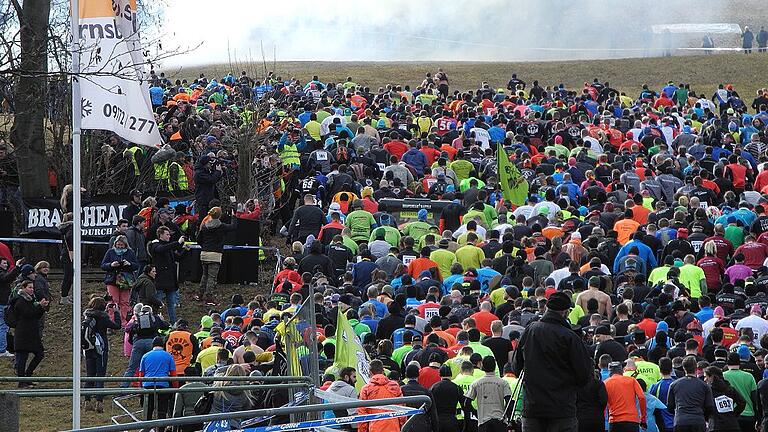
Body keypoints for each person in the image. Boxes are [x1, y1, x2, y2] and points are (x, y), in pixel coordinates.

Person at [513, 291, 592, 431]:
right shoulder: (570, 337)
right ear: (566, 312)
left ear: (547, 308)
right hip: (562, 408)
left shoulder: (530, 331)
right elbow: (584, 374)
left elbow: (516, 366)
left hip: (533, 407)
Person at [82, 296, 121, 413]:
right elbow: (117, 326)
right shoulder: (103, 318)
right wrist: (116, 313)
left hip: (89, 349)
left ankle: (87, 401)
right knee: (100, 375)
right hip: (101, 349)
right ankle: (99, 401)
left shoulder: (87, 316)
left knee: (90, 375)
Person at [196, 206, 236, 305]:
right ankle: (209, 298)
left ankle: (200, 294)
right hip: (215, 254)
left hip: (204, 253)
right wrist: (234, 216)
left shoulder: (205, 225)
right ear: (219, 215)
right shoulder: (221, 226)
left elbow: (198, 238)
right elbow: (233, 227)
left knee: (204, 275)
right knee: (212, 277)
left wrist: (204, 246)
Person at [11, 280, 48, 386]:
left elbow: (35, 315)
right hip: (23, 333)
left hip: (31, 332)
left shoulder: (30, 300)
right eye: (29, 287)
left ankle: (27, 376)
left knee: (39, 354)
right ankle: (22, 381)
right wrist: (39, 306)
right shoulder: (20, 300)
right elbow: (28, 313)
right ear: (23, 288)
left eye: (32, 288)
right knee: (23, 357)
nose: (32, 290)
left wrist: (41, 308)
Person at [148, 227, 187, 323]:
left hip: (170, 281)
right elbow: (161, 249)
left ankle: (173, 323)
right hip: (161, 280)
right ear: (161, 235)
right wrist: (177, 243)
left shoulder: (168, 247)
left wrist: (184, 250)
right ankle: (151, 321)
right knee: (156, 303)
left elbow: (177, 258)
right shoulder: (155, 245)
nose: (169, 236)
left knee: (171, 304)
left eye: (169, 234)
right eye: (167, 234)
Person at [667, 355, 715, 432]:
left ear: (683, 368)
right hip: (698, 420)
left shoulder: (674, 384)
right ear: (696, 368)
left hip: (680, 421)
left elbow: (670, 407)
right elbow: (710, 407)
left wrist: (679, 413)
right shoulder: (704, 386)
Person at [465, 355, 512, 432]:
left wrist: (475, 412)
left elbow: (467, 403)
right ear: (495, 366)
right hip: (499, 421)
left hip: (483, 422)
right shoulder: (503, 383)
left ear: (483, 366)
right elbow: (509, 402)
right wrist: (507, 417)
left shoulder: (476, 383)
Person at [100, 234, 139, 323]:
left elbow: (136, 265)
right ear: (115, 244)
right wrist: (111, 265)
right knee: (113, 301)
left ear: (125, 245)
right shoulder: (110, 252)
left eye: (122, 245)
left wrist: (129, 264)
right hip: (112, 280)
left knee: (124, 301)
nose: (120, 247)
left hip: (126, 281)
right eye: (118, 245)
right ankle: (112, 321)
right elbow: (103, 265)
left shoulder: (130, 252)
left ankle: (124, 322)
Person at [358, 359, 404, 432]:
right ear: (383, 371)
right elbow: (402, 410)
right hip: (393, 427)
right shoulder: (395, 386)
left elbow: (362, 414)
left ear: (370, 372)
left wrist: (362, 430)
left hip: (375, 427)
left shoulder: (366, 389)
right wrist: (402, 425)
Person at [138, 336, 177, 423]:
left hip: (147, 386)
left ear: (153, 345)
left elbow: (141, 374)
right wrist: (175, 388)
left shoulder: (145, 356)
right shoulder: (168, 356)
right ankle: (161, 428)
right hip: (163, 385)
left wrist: (140, 388)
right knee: (162, 411)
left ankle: (147, 427)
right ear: (163, 345)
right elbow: (173, 374)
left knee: (148, 410)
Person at [604, 361, 647, 432]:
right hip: (632, 420)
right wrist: (643, 419)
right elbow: (642, 397)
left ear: (610, 372)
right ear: (621, 370)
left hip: (614, 422)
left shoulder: (606, 383)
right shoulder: (632, 380)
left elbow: (603, 403)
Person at [704, 365, 746, 432]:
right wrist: (733, 414)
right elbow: (742, 402)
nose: (705, 379)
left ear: (712, 376)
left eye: (706, 377)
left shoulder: (709, 391)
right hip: (732, 425)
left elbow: (706, 407)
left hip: (716, 426)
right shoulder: (730, 389)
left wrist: (708, 417)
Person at [210, 364, 253, 428]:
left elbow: (218, 371)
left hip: (212, 422)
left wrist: (233, 366)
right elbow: (247, 408)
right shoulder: (245, 392)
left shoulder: (218, 385)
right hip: (233, 425)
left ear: (228, 372)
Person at [0, 256, 22, 357]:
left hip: (3, 303)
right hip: (2, 304)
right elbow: (7, 278)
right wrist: (17, 267)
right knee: (3, 326)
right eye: (4, 263)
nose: (6, 265)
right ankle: (2, 350)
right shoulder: (1, 274)